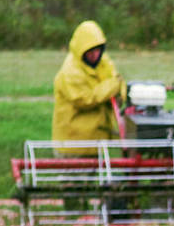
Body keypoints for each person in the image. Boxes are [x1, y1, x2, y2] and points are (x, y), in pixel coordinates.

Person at [52, 20, 124, 150]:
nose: (95, 55)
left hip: (98, 142)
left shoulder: (104, 63)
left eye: (98, 50)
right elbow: (85, 99)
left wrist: (120, 95)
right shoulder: (70, 71)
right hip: (74, 145)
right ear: (81, 50)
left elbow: (118, 83)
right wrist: (113, 87)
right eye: (90, 51)